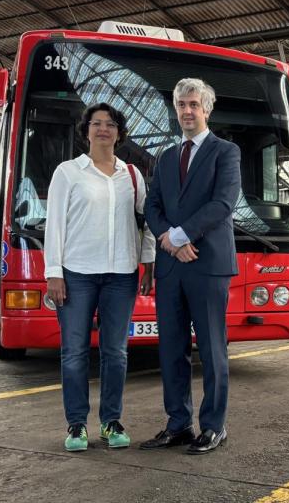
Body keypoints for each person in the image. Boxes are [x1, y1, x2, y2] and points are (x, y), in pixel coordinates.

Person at [44, 102, 156, 452]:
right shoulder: (68, 172)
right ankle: (77, 425)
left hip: (121, 275)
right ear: (86, 131)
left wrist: (148, 262)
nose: (103, 129)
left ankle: (111, 421)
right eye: (97, 123)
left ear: (119, 133)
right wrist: (53, 273)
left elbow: (148, 222)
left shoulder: (132, 176)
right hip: (76, 274)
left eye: (110, 124)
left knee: (116, 353)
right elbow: (55, 225)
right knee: (75, 353)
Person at [141, 78, 240, 455]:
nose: (186, 111)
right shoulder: (166, 157)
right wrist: (169, 237)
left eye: (193, 104)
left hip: (207, 264)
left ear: (207, 109)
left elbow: (224, 203)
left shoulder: (225, 152)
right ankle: (178, 423)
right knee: (171, 349)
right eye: (181, 104)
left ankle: (213, 425)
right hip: (172, 266)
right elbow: (152, 207)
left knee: (213, 350)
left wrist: (180, 237)